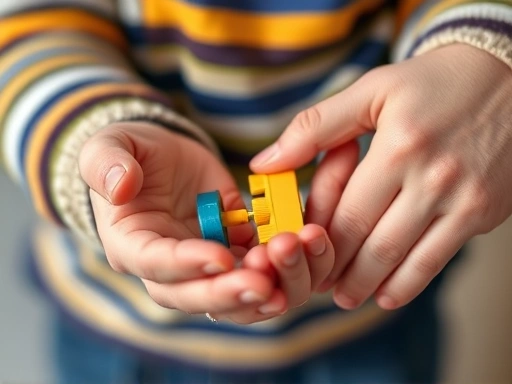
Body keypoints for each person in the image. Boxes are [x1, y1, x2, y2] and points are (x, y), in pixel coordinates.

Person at [1, 0, 511, 383]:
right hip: (122, 333)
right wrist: (94, 139)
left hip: (371, 321)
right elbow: (30, 29)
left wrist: (484, 60)